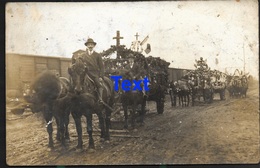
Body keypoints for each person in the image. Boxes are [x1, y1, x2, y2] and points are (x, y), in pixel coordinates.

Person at [79, 38, 105, 103]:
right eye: (89, 45)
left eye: (91, 44)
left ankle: (100, 98)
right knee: (78, 84)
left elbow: (101, 67)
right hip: (85, 73)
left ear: (93, 46)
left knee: (98, 84)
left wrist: (100, 76)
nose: (90, 46)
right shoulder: (83, 55)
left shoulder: (97, 55)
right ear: (87, 46)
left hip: (94, 74)